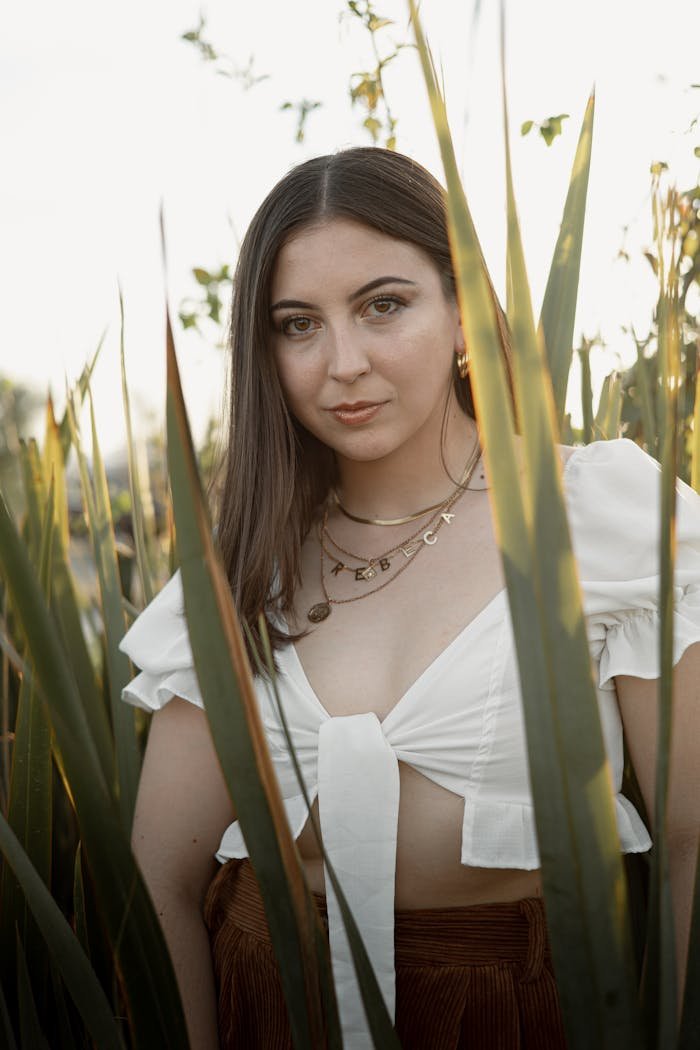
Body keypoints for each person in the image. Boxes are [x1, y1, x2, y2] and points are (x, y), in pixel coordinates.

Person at [119, 147, 700, 1050]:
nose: (342, 362)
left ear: (465, 311)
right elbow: (162, 872)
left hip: (519, 1010)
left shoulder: (598, 513)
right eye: (297, 324)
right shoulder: (247, 565)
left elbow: (693, 840)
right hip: (274, 1005)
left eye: (383, 305)